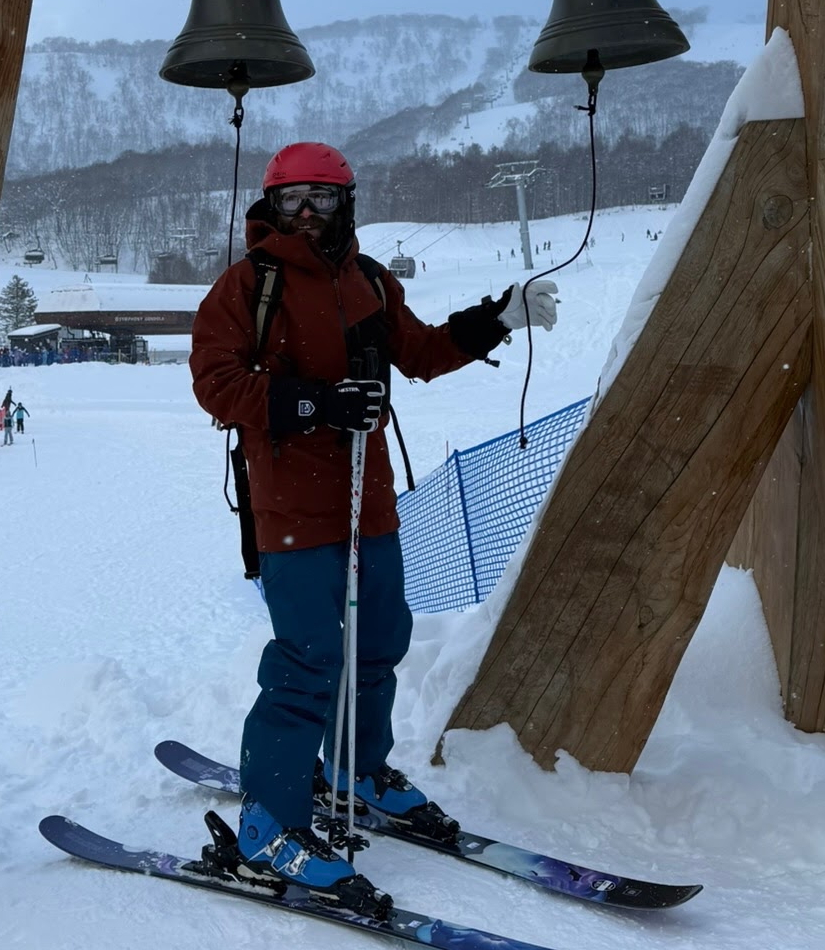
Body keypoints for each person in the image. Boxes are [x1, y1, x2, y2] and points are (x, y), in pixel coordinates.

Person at [190, 141, 558, 908]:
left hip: (370, 502)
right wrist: (314, 402)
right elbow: (217, 384)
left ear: (346, 202)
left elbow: (418, 352)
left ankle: (357, 770)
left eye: (323, 197)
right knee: (307, 658)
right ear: (269, 204)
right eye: (293, 198)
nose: (308, 212)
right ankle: (269, 826)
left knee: (381, 641)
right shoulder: (246, 287)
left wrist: (498, 319)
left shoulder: (369, 281)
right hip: (293, 511)